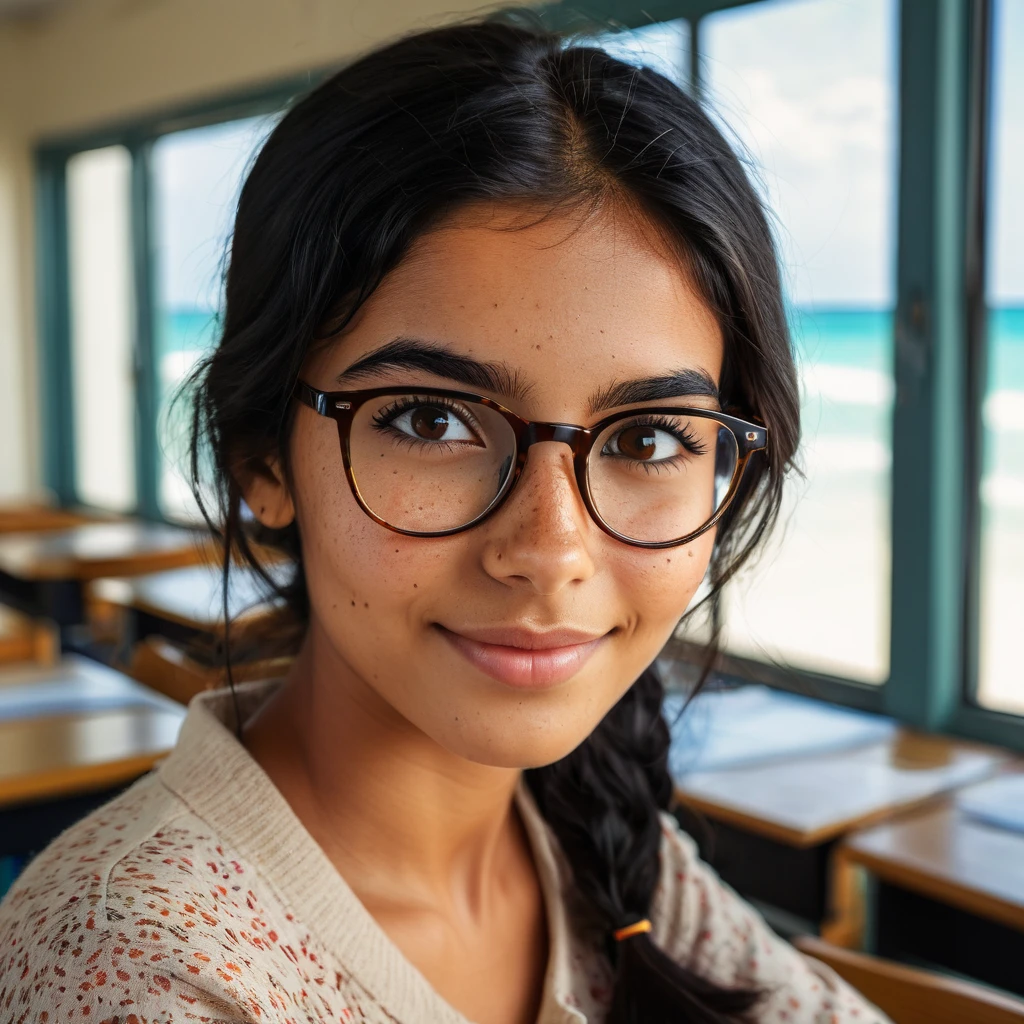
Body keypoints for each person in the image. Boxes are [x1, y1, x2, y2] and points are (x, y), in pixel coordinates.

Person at [0, 18, 891, 1024]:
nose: (550, 552)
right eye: (430, 420)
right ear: (260, 457)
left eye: (648, 438)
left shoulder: (598, 841)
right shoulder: (143, 967)